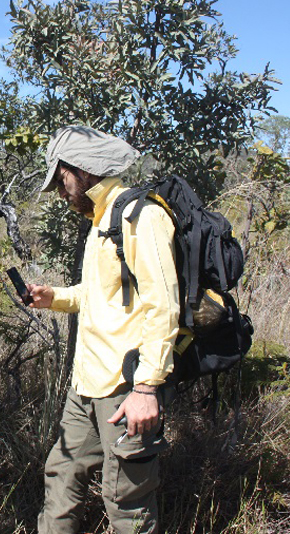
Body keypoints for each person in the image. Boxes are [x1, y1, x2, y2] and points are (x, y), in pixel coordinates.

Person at [28, 126, 179, 534]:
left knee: (126, 502)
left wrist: (146, 388)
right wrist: (54, 297)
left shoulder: (140, 217)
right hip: (86, 384)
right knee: (61, 474)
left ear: (84, 171)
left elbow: (164, 306)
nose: (62, 193)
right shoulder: (102, 220)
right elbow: (101, 294)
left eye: (62, 181)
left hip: (125, 389)